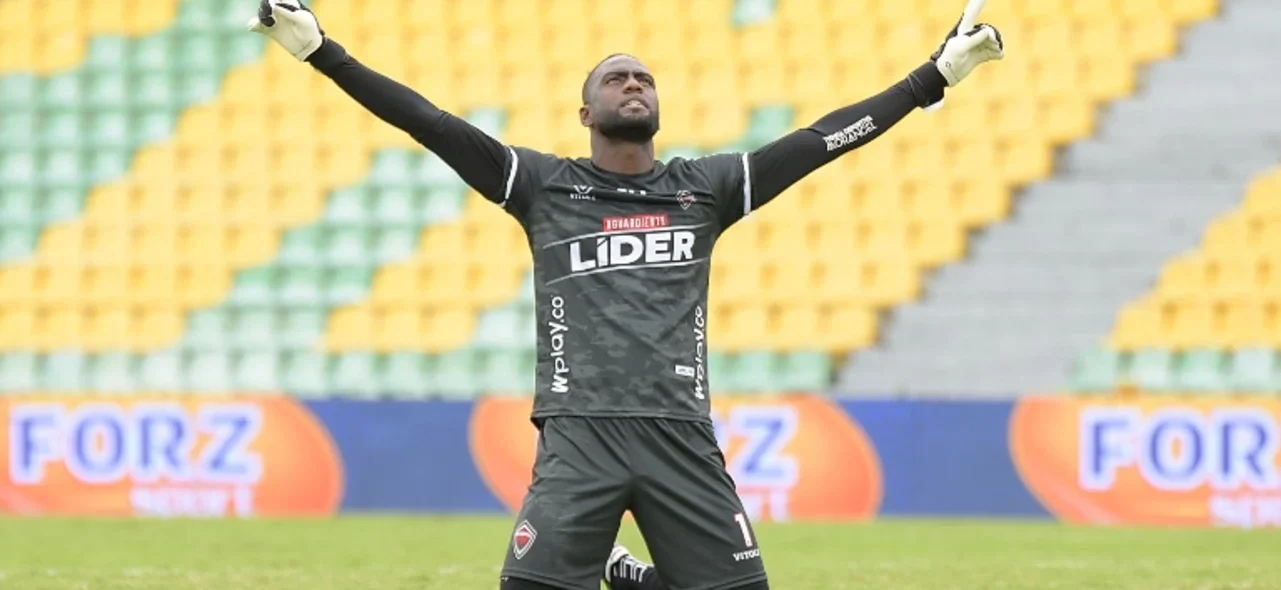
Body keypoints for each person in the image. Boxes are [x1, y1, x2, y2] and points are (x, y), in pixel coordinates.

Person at [248, 1, 1004, 589]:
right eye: (616, 78)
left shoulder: (702, 189)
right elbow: (428, 123)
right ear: (586, 113)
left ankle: (632, 577)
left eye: (642, 78)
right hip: (581, 432)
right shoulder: (542, 185)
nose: (632, 84)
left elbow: (820, 140)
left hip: (681, 433)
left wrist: (929, 80)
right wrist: (322, 52)